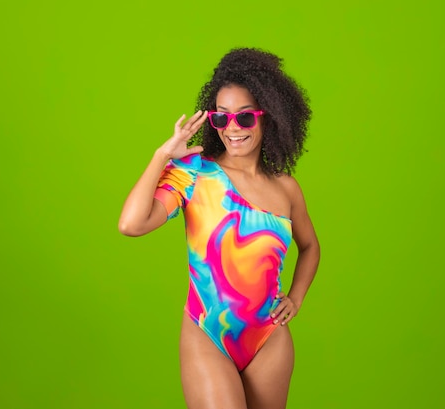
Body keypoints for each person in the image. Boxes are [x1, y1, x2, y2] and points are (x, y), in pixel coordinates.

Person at [118, 47, 320, 409]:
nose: (232, 128)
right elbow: (131, 224)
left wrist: (297, 297)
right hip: (206, 333)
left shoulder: (286, 188)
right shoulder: (194, 171)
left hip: (269, 338)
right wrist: (162, 155)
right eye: (221, 118)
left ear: (267, 118)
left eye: (244, 119)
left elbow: (310, 246)